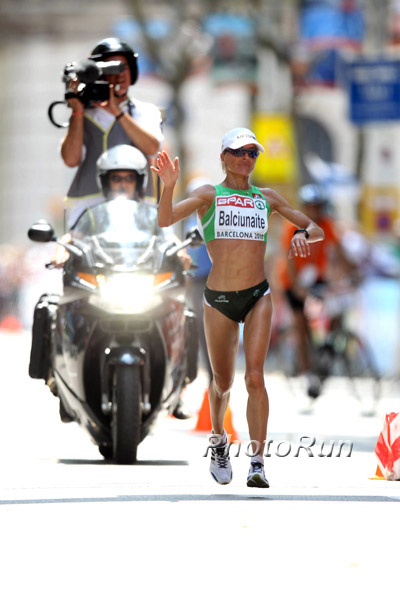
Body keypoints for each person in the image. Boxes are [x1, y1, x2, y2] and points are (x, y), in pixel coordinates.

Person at [151, 127, 325, 488]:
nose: (246, 159)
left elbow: (315, 228)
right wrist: (168, 186)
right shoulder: (208, 194)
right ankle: (218, 441)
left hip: (258, 295)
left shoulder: (267, 197)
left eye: (252, 153)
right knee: (222, 382)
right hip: (219, 299)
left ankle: (258, 462)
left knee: (255, 377)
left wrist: (301, 234)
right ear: (224, 157)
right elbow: (164, 220)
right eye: (239, 152)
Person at [61, 37, 164, 225]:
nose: (119, 75)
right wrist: (77, 110)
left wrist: (117, 112)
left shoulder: (145, 111)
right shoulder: (84, 114)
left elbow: (152, 147)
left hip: (137, 210)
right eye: (111, 68)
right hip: (88, 213)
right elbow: (70, 159)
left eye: (123, 67)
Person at [277, 183, 358, 397]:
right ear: (304, 208)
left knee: (339, 309)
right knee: (300, 323)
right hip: (292, 281)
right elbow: (289, 261)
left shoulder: (326, 225)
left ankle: (327, 351)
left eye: (317, 206)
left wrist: (354, 272)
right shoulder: (292, 227)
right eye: (309, 206)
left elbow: (339, 252)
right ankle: (308, 375)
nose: (314, 211)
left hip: (316, 279)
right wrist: (297, 288)